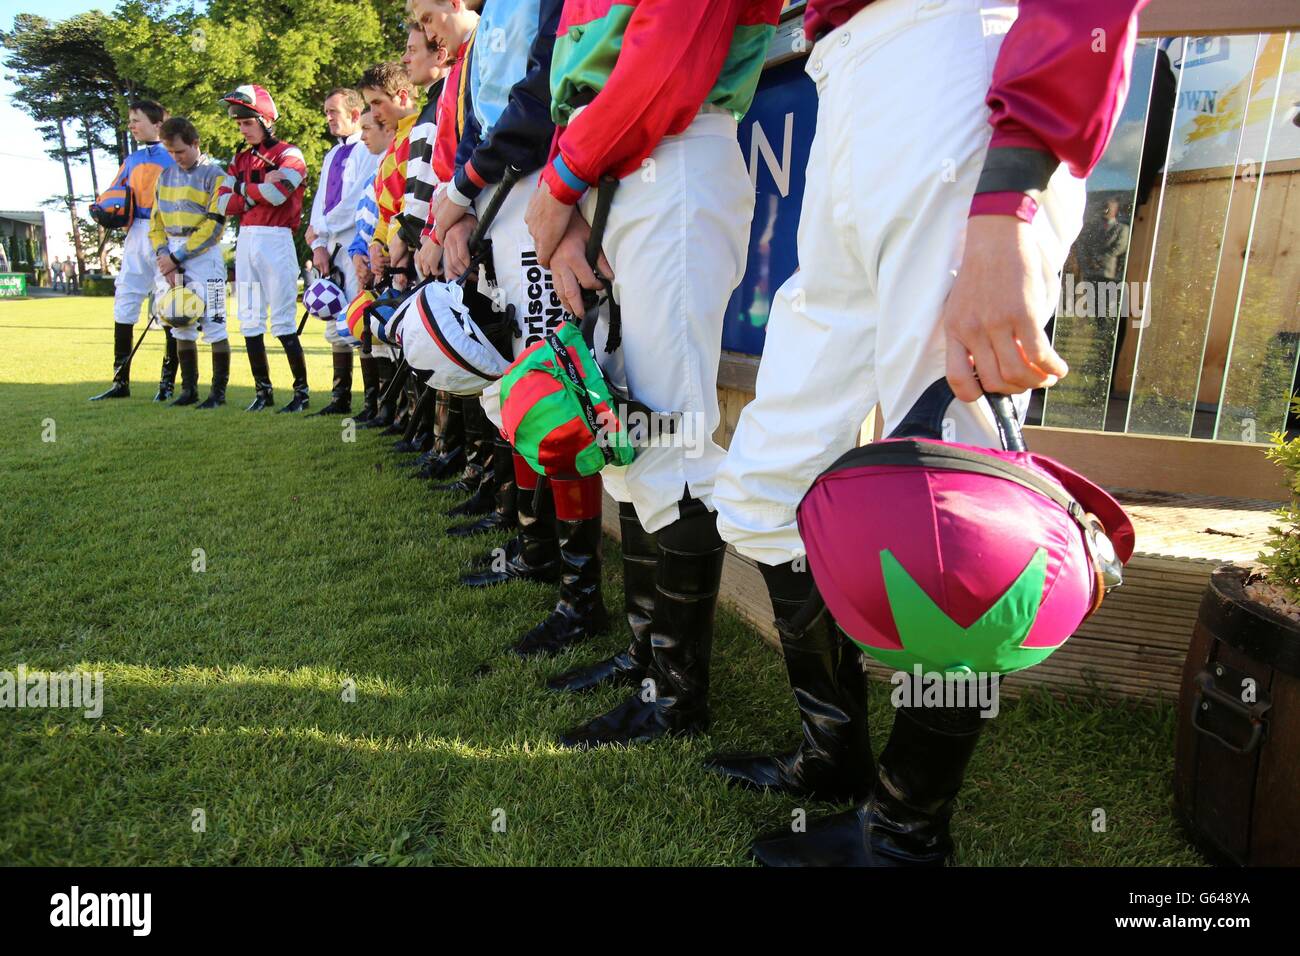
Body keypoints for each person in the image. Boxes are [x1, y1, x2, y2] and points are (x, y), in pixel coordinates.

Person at [706, 0, 1147, 866]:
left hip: (960, 65)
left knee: (961, 516)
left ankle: (906, 832)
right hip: (846, 77)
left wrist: (1012, 191)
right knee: (766, 478)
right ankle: (835, 756)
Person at [525, 0, 784, 743]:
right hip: (624, 163)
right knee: (631, 438)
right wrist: (574, 182)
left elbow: (666, 54)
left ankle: (676, 697)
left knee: (672, 441)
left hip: (668, 148)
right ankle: (647, 660)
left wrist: (564, 180)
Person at [215, 84, 311, 413]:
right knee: (249, 318)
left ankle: (301, 394)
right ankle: (263, 391)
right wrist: (253, 187)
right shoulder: (238, 158)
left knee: (283, 320)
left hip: (277, 238)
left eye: (247, 122)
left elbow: (279, 194)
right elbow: (224, 202)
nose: (242, 129)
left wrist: (243, 191)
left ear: (265, 119)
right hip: (247, 240)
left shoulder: (290, 154)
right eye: (239, 124)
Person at [88, 99, 177, 402]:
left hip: (167, 233)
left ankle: (167, 384)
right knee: (125, 297)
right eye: (130, 120)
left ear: (158, 125)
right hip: (137, 233)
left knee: (168, 305)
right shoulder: (132, 160)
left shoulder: (175, 158)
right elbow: (110, 195)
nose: (132, 125)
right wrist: (101, 211)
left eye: (137, 120)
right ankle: (119, 381)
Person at [308, 87, 381, 416]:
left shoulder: (367, 150)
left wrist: (324, 227)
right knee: (333, 317)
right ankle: (340, 397)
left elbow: (356, 199)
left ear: (354, 114)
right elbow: (320, 200)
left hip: (355, 240)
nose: (328, 118)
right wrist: (318, 243)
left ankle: (373, 400)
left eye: (332, 111)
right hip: (330, 244)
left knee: (358, 316)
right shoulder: (330, 156)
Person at [358, 61, 422, 431]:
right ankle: (410, 422)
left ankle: (433, 437)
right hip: (398, 256)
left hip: (417, 252)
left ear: (400, 96)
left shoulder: (419, 133)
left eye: (377, 103)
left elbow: (416, 199)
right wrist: (379, 245)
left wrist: (397, 242)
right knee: (404, 342)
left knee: (422, 342)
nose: (374, 112)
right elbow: (386, 208)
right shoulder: (396, 143)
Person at [150, 116, 231, 408]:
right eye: (170, 153)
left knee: (215, 321)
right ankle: (188, 391)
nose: (176, 158)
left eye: (180, 151)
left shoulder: (218, 176)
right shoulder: (165, 176)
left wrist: (176, 258)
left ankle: (217, 394)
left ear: (195, 143)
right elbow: (155, 222)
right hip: (170, 250)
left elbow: (215, 225)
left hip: (206, 256)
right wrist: (163, 255)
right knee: (178, 320)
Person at [346, 109, 395, 423]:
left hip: (388, 265)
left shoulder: (393, 165)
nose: (362, 136)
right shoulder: (372, 174)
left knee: (393, 341)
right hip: (369, 264)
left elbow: (389, 219)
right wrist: (356, 253)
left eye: (367, 128)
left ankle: (398, 413)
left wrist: (378, 257)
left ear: (386, 129)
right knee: (373, 338)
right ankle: (381, 408)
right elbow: (362, 222)